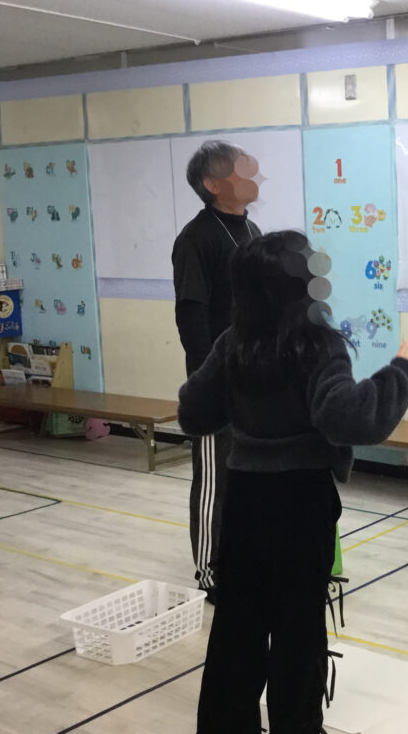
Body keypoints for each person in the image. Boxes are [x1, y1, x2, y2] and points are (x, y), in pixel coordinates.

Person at [178, 230, 408, 734]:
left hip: (245, 501)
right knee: (298, 632)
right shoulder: (318, 346)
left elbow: (193, 412)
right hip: (301, 505)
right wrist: (403, 372)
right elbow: (349, 418)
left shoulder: (233, 344)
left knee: (237, 629)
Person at [172, 140, 263, 603]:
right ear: (212, 184)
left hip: (256, 379)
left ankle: (248, 559)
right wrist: (211, 382)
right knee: (215, 479)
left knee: (252, 476)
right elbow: (191, 316)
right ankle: (211, 572)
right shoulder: (196, 239)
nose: (252, 175)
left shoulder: (252, 231)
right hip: (217, 385)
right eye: (239, 169)